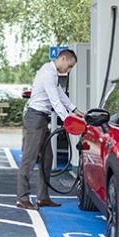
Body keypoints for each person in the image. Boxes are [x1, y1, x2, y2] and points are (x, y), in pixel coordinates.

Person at [17, 49, 83, 210]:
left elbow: (61, 95)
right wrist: (68, 119)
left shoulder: (53, 75)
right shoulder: (48, 73)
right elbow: (55, 100)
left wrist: (76, 111)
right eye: (69, 66)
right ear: (63, 58)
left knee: (47, 158)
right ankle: (22, 198)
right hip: (35, 118)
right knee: (29, 159)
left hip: (42, 118)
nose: (68, 71)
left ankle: (43, 197)